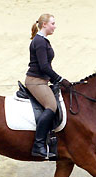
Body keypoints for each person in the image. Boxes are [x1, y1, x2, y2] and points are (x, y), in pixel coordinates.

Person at [25, 13, 72, 158]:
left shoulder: (43, 41)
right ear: (44, 24)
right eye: (53, 23)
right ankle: (38, 145)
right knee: (51, 106)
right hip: (35, 81)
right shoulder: (39, 41)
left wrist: (54, 80)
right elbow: (44, 66)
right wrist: (60, 79)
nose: (55, 26)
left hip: (42, 80)